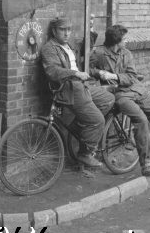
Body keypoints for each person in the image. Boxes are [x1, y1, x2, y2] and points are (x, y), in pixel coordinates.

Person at [89, 24, 150, 177]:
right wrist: (99, 72)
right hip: (120, 95)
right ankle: (146, 165)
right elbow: (87, 68)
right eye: (124, 39)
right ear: (116, 41)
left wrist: (114, 76)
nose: (126, 42)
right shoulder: (99, 53)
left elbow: (131, 76)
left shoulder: (127, 54)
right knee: (141, 120)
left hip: (138, 91)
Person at [41, 16, 115, 168]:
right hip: (68, 89)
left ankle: (84, 126)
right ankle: (85, 154)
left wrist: (91, 30)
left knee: (108, 98)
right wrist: (74, 74)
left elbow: (85, 49)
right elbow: (52, 71)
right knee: (97, 120)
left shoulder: (69, 45)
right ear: (54, 31)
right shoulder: (49, 48)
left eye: (68, 30)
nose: (66, 33)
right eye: (62, 30)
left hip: (81, 85)